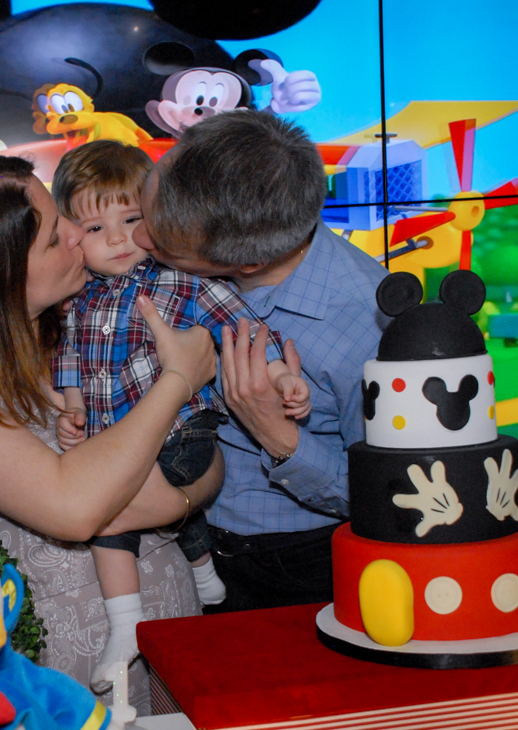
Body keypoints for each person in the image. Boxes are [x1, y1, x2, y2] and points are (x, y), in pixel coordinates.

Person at [0, 154, 221, 709]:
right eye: (52, 237)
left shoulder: (84, 326)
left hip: (170, 629)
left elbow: (206, 454)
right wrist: (179, 378)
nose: (76, 233)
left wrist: (181, 495)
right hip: (70, 673)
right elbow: (74, 507)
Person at [49, 140, 311, 688]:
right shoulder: (77, 302)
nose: (119, 238)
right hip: (123, 439)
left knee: (109, 519)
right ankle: (202, 570)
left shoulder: (182, 283)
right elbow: (69, 359)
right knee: (130, 489)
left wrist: (284, 377)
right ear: (72, 237)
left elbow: (243, 329)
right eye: (96, 229)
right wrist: (72, 407)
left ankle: (127, 627)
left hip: (184, 431)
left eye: (132, 219)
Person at [132, 110, 390, 612]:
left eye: (162, 245)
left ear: (246, 262)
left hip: (299, 567)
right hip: (191, 542)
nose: (138, 241)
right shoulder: (219, 251)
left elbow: (386, 499)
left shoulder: (369, 324)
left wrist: (277, 434)